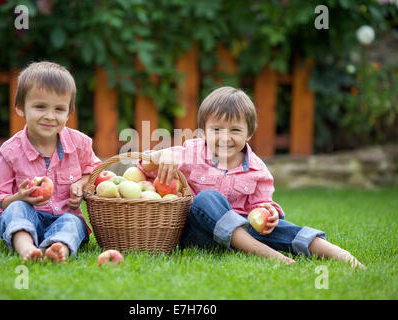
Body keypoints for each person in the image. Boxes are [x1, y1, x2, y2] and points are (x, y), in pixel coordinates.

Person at [138, 86, 364, 268]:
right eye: (216, 130)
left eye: (235, 130)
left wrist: (271, 213)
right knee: (206, 198)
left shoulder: (257, 169)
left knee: (281, 228)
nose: (225, 137)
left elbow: (261, 206)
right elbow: (145, 166)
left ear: (249, 133)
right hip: (197, 233)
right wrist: (161, 155)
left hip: (245, 232)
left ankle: (340, 254)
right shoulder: (191, 152)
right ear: (203, 131)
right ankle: (267, 254)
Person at [0, 61, 101, 264]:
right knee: (16, 210)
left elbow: (98, 171)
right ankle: (26, 248)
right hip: (29, 218)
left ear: (69, 112)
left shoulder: (79, 144)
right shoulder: (10, 152)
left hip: (65, 217)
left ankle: (58, 248)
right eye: (40, 107)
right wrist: (18, 197)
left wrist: (82, 183)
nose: (49, 116)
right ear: (21, 108)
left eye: (59, 109)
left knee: (74, 222)